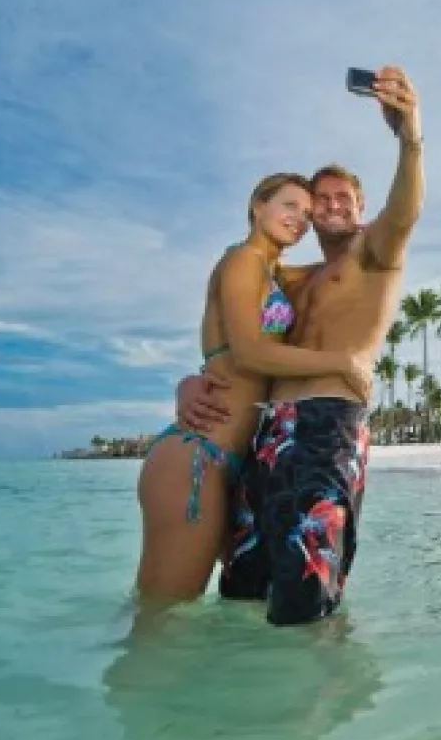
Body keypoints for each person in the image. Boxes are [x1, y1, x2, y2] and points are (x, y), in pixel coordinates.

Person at [176, 64, 424, 626]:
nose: (331, 206)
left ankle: (317, 680)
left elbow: (406, 210)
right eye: (320, 202)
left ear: (361, 207)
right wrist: (192, 380)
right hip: (268, 433)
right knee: (242, 588)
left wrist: (408, 135)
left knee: (306, 598)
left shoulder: (375, 254)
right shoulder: (294, 279)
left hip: (326, 425)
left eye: (343, 198)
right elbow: (233, 326)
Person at [132, 172, 373, 609]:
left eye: (307, 212)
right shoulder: (243, 259)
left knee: (191, 612)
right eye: (288, 205)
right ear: (258, 206)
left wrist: (358, 237)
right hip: (198, 455)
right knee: (161, 617)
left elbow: (337, 271)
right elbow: (247, 352)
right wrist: (341, 364)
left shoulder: (272, 271)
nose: (299, 219)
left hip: (233, 463)